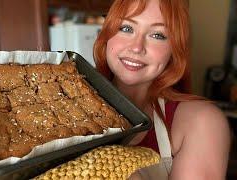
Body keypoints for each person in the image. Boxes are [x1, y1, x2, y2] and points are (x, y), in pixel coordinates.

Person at [93, 0, 231, 179]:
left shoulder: (201, 122)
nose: (136, 47)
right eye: (126, 28)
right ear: (107, 34)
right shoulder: (66, 107)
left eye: (158, 35)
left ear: (175, 48)